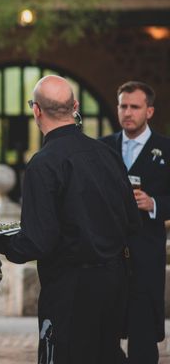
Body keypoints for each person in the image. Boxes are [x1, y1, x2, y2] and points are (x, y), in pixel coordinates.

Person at [0, 75, 141, 363]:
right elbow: (132, 222)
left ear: (36, 111)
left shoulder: (43, 164)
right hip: (114, 283)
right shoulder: (108, 154)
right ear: (75, 106)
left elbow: (36, 242)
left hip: (70, 289)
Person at [99, 81, 170, 363]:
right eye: (123, 106)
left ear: (149, 111)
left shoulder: (166, 149)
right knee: (105, 333)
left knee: (142, 336)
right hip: (107, 255)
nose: (127, 112)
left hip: (146, 256)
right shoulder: (102, 148)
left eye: (135, 107)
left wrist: (154, 204)